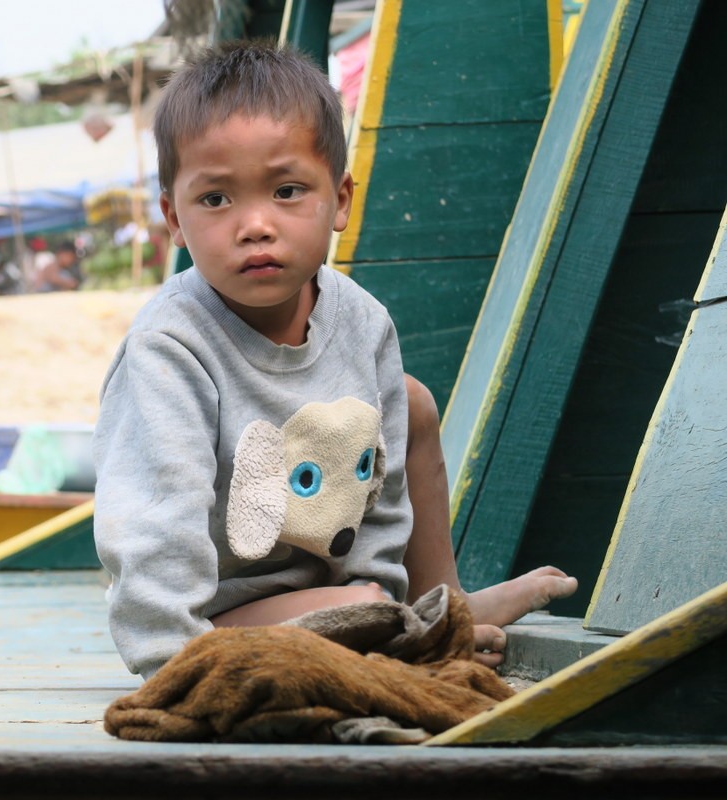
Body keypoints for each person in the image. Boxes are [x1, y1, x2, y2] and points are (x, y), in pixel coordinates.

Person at [92, 40, 577, 681]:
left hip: (328, 590)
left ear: (340, 200)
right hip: (213, 623)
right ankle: (401, 624)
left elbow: (377, 493)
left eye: (287, 190)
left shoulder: (362, 321)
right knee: (360, 609)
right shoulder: (169, 348)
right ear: (173, 218)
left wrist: (389, 605)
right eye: (215, 200)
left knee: (411, 403)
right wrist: (176, 661)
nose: (255, 225)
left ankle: (440, 605)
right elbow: (156, 522)